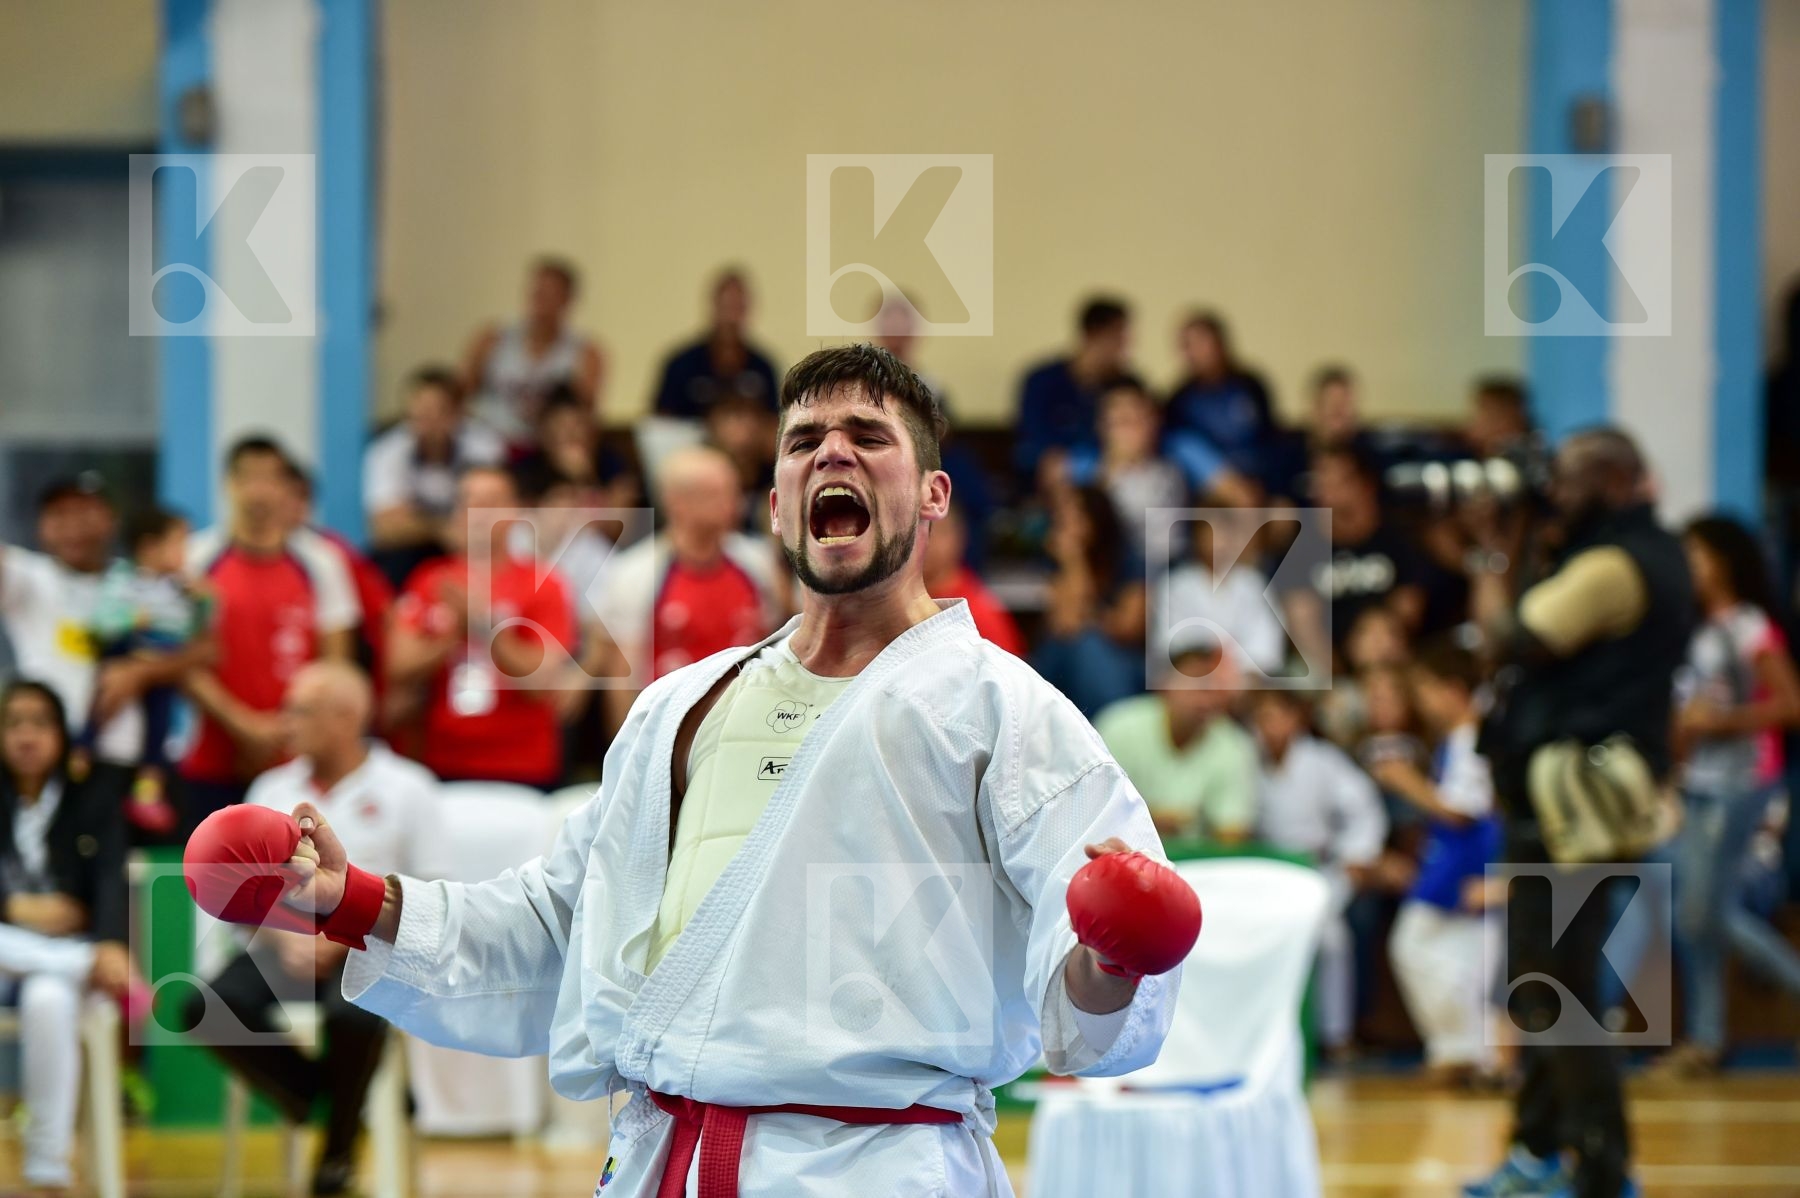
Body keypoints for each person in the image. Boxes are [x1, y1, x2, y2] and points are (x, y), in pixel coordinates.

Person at [217, 343, 1189, 1198]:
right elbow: (558, 926)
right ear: (774, 504)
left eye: (869, 435)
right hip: (657, 1157)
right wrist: (349, 902)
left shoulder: (1003, 709)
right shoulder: (679, 707)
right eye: (804, 440)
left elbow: (1094, 993)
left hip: (876, 1168)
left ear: (934, 495)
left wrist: (1114, 955)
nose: (832, 453)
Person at [1464, 427, 1694, 1198]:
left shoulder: (1611, 565)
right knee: (1550, 983)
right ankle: (1535, 1151)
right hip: (1591, 800)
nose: (1556, 495)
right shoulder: (1652, 554)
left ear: (1613, 481)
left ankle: (1603, 1168)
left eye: (1568, 482)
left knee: (1551, 990)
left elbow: (1506, 637)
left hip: (1573, 809)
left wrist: (1497, 549)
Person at [183, 662, 432, 1197]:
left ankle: (335, 1154)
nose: (284, 720)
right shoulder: (272, 785)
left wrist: (345, 927)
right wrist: (284, 933)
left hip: (370, 940)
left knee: (357, 1013)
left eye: (300, 709)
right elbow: (235, 882)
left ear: (346, 716)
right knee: (202, 1006)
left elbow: (435, 888)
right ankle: (331, 1102)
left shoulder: (410, 788)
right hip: (281, 939)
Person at [1645, 516, 1800, 1078]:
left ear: (1725, 563)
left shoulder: (1749, 627)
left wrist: (1723, 721)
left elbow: (1790, 705)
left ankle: (1718, 1031)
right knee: (1696, 914)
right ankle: (1706, 1040)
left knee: (1704, 911)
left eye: (1697, 555)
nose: (1688, 567)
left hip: (1746, 779)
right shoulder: (1694, 630)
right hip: (1700, 783)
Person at [0, 680, 147, 1193]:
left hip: (56, 956)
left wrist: (110, 941)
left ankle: (47, 1165)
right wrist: (15, 907)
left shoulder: (91, 799)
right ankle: (83, 966)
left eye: (39, 722)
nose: (26, 735)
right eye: (14, 722)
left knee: (47, 998)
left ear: (62, 734)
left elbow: (111, 875)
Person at [182, 438, 360, 830]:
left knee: (297, 883)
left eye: (270, 478)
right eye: (247, 478)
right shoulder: (196, 560)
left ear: (287, 488)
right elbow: (181, 662)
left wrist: (289, 728)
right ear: (229, 485)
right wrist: (241, 723)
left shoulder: (322, 564)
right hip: (213, 759)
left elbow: (336, 666)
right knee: (209, 885)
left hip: (297, 764)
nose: (258, 490)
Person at [387, 466, 576, 788]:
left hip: (522, 764)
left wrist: (484, 625)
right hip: (440, 759)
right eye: (468, 501)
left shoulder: (544, 583)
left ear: (515, 511)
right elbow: (399, 665)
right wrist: (452, 635)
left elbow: (541, 682)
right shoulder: (430, 579)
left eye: (491, 502)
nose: (478, 513)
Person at [2, 475, 190, 791]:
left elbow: (203, 648)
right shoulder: (29, 578)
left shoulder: (135, 581)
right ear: (41, 526)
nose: (73, 525)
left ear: (110, 520)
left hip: (136, 764)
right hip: (52, 762)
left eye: (84, 512)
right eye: (59, 515)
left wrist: (142, 672)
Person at [1373, 641, 1504, 1087]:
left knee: (1431, 948)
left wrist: (1405, 782)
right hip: (1455, 863)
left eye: (1426, 691)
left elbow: (1462, 811)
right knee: (1454, 956)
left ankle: (1469, 1054)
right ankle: (1460, 1053)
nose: (1421, 704)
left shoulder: (1471, 739)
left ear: (1452, 690)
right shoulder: (1461, 739)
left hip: (1468, 863)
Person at [591, 445, 787, 737]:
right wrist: (628, 750)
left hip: (749, 728)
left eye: (734, 491)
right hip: (669, 735)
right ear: (676, 503)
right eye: (716, 493)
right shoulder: (634, 573)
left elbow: (782, 642)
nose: (732, 503)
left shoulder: (757, 561)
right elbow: (622, 678)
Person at [1252, 687, 1388, 1057]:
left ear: (1297, 719)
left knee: (1331, 939)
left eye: (1279, 715)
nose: (1271, 725)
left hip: (1318, 870)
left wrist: (1358, 855)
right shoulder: (1246, 759)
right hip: (1265, 872)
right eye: (1263, 717)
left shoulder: (1321, 761)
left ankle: (1336, 1036)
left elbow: (1364, 809)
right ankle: (1271, 1037)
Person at [81, 507, 207, 835]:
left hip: (160, 658)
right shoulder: (122, 578)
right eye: (178, 544)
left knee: (160, 719)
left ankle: (147, 792)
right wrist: (130, 621)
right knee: (108, 685)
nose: (185, 554)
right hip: (126, 647)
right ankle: (83, 744)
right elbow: (101, 622)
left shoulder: (180, 588)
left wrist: (204, 601)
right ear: (150, 547)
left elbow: (198, 635)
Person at [1096, 638, 1258, 843]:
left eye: (1216, 688)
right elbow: (1092, 809)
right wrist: (1150, 820)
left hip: (1196, 867)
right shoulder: (1118, 727)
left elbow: (1232, 834)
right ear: (1166, 683)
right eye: (1198, 684)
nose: (1206, 699)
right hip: (1117, 851)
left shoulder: (1236, 746)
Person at [363, 366, 506, 588]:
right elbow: (385, 527)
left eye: (435, 412)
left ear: (456, 414)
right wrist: (440, 530)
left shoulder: (484, 445)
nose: (425, 423)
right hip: (415, 548)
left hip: (474, 541)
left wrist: (459, 531)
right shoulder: (387, 451)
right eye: (417, 413)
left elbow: (498, 508)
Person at [462, 257, 606, 448]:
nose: (542, 301)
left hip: (544, 450)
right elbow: (462, 393)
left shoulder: (585, 353)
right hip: (491, 442)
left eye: (552, 294)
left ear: (568, 300)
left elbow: (584, 415)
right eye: (538, 292)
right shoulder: (492, 339)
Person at [1031, 485, 1148, 718]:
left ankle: (1109, 731)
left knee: (1088, 644)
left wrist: (1091, 618)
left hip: (1123, 659)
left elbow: (1127, 628)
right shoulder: (1059, 561)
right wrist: (1073, 560)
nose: (1068, 524)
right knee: (1070, 646)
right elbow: (1065, 624)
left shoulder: (1128, 559)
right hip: (1066, 655)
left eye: (1076, 516)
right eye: (1063, 517)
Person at [1308, 443, 1430, 654]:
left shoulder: (1399, 535)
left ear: (1366, 484)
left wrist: (1378, 635)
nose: (1329, 493)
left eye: (1340, 482)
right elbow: (1301, 618)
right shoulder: (1304, 546)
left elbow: (1410, 605)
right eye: (1323, 483)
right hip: (1331, 664)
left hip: (1394, 652)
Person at [1013, 296, 1133, 492]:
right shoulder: (1043, 381)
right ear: (1094, 335)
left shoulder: (1126, 384)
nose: (1125, 350)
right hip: (1050, 475)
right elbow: (1034, 436)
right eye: (1119, 339)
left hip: (1112, 475)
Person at [1063, 378, 1190, 560]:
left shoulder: (1171, 469)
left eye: (1139, 418)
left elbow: (1167, 550)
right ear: (1102, 426)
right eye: (1123, 421)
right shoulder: (1078, 471)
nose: (1134, 429)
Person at [1163, 310, 1278, 491]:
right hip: (1210, 493)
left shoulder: (1250, 386)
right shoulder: (1179, 401)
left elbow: (1271, 439)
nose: (1195, 352)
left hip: (1260, 481)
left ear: (1220, 343)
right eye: (1188, 345)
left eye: (1201, 342)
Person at [651, 268, 781, 420]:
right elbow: (661, 422)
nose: (731, 317)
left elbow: (775, 422)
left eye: (737, 307)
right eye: (726, 306)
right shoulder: (681, 365)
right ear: (713, 306)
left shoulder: (763, 367)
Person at [923, 501, 1025, 655]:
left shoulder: (979, 613)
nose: (928, 542)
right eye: (921, 530)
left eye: (939, 531)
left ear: (959, 536)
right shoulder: (899, 602)